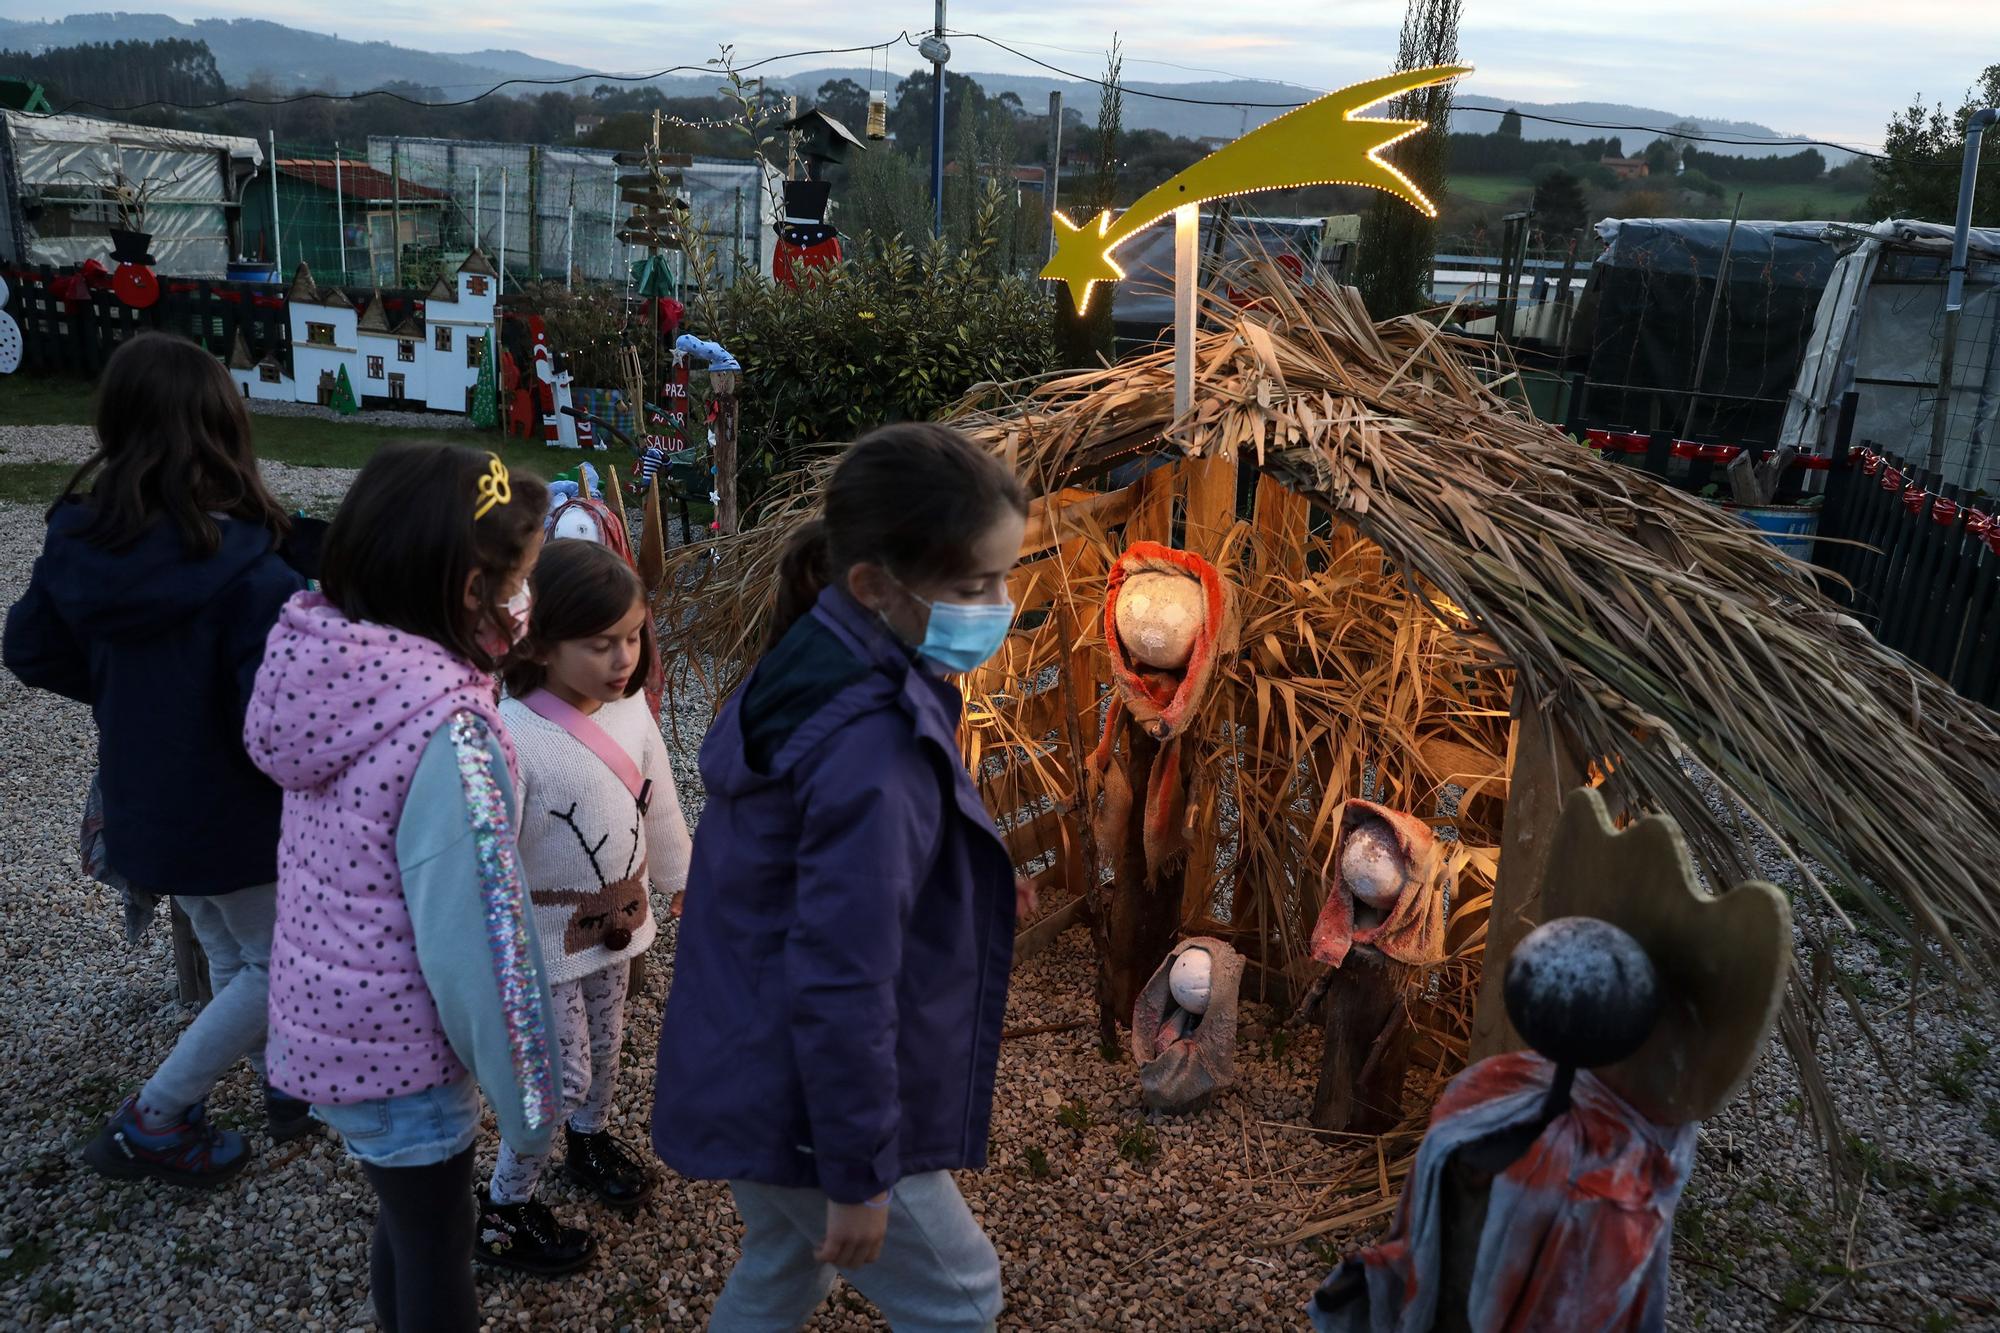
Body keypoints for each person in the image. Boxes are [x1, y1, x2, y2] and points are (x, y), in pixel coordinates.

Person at [652, 423, 1033, 1332]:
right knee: (961, 1297)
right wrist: (855, 1170)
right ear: (873, 584)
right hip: (806, 1107)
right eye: (973, 585)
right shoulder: (873, 749)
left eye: (1005, 577)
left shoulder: (814, 658)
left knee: (785, 1264)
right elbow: (841, 975)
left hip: (753, 1061)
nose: (1000, 603)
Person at [245, 444, 560, 1332]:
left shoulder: (336, 667)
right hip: (400, 1049)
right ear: (472, 590)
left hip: (338, 1022)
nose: (527, 597)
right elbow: (482, 945)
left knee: (410, 1217)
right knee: (437, 1238)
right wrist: (531, 1104)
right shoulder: (448, 735)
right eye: (522, 577)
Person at [3, 331, 311, 1186]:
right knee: (276, 962)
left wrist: (123, 692)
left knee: (228, 947)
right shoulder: (255, 574)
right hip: (236, 817)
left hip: (144, 804)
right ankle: (155, 1116)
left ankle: (282, 1085)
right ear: (227, 432)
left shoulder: (80, 546)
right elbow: (272, 721)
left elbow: (29, 648)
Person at [479, 538, 691, 1271]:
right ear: (539, 640)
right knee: (555, 1076)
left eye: (633, 636)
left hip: (618, 927)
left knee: (607, 1049)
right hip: (542, 943)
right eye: (601, 643)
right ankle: (505, 1204)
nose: (624, 657)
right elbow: (489, 855)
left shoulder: (631, 712)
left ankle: (590, 1137)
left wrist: (680, 878)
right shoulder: (511, 734)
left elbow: (658, 804)